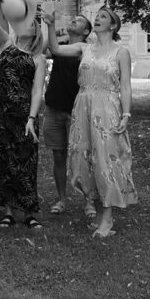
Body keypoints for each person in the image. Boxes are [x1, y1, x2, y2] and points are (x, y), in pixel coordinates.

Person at [44, 7, 137, 238]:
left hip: (107, 107)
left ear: (113, 26)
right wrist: (51, 25)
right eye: (97, 16)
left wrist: (126, 114)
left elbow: (125, 86)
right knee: (85, 160)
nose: (97, 19)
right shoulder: (84, 48)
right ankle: (97, 213)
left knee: (107, 160)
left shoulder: (120, 52)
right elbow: (55, 49)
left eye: (103, 17)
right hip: (82, 105)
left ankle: (107, 217)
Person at [0, 0, 47, 230]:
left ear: (36, 32)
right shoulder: (5, 44)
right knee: (1, 160)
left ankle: (29, 212)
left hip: (23, 114)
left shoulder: (38, 58)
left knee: (25, 162)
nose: (25, 25)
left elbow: (37, 91)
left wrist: (31, 118)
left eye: (30, 23)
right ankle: (8, 211)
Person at [40, 13, 92, 215]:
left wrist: (52, 25)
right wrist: (48, 27)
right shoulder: (59, 44)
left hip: (75, 110)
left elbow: (55, 50)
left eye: (78, 21)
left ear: (86, 31)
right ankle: (62, 199)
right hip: (53, 108)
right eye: (73, 18)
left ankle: (88, 200)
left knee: (82, 157)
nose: (73, 20)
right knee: (58, 155)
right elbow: (41, 50)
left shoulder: (85, 50)